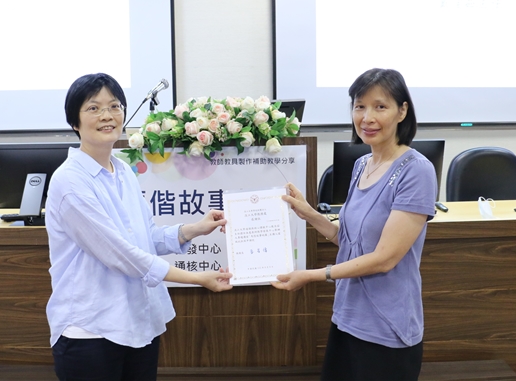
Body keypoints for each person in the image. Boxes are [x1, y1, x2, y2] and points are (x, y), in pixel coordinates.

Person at [45, 73, 233, 381]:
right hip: (90, 330)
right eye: (93, 108)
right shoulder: (70, 181)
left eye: (114, 106)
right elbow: (121, 254)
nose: (107, 115)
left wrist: (194, 229)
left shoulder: (122, 171)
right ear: (74, 121)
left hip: (137, 322)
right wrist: (197, 278)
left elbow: (146, 237)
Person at [273, 68, 437, 381]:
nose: (367, 117)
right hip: (347, 317)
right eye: (359, 106)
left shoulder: (417, 171)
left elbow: (385, 258)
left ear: (402, 111)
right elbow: (351, 240)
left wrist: (312, 275)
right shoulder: (362, 164)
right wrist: (308, 213)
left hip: (387, 326)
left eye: (380, 106)